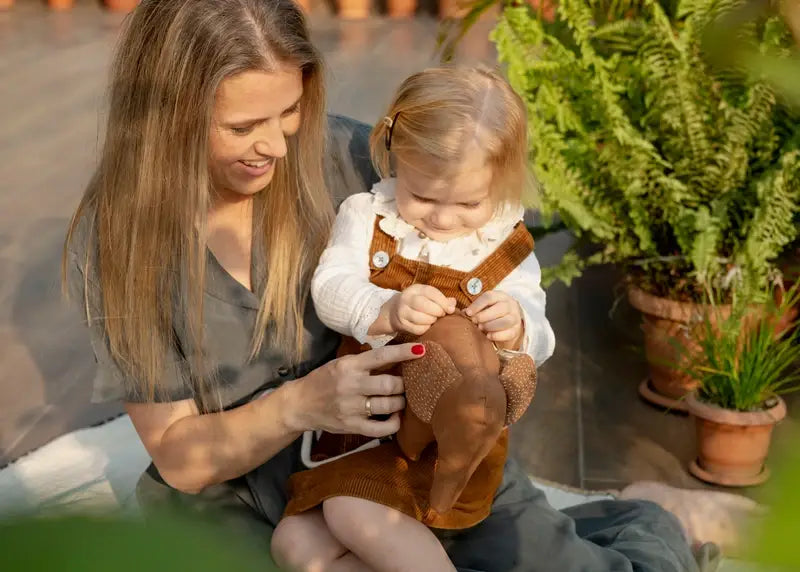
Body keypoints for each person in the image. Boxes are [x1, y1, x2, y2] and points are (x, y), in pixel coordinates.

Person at [63, 1, 704, 571]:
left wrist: (507, 325)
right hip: (239, 485)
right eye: (241, 127)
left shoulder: (344, 154)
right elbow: (179, 455)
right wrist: (301, 405)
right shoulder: (123, 238)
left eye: (288, 112)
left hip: (406, 442)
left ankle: (648, 523)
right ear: (165, 115)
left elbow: (480, 211)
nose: (275, 147)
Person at [271, 66, 556, 572]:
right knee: (294, 545)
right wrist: (383, 309)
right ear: (393, 151)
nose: (442, 220)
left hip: (449, 444)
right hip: (364, 430)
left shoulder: (502, 244)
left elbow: (538, 326)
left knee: (350, 510)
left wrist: (517, 324)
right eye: (423, 196)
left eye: (469, 203)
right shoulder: (367, 215)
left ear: (504, 179)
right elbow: (330, 287)